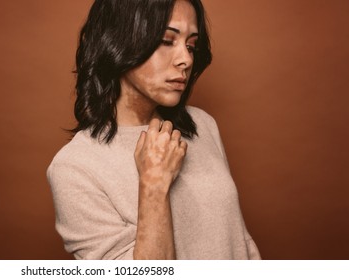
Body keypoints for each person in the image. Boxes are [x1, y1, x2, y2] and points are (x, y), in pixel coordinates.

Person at [47, 0, 261, 260]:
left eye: (191, 45)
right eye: (166, 41)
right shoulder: (74, 168)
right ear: (118, 40)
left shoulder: (203, 126)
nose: (185, 59)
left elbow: (241, 242)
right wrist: (154, 185)